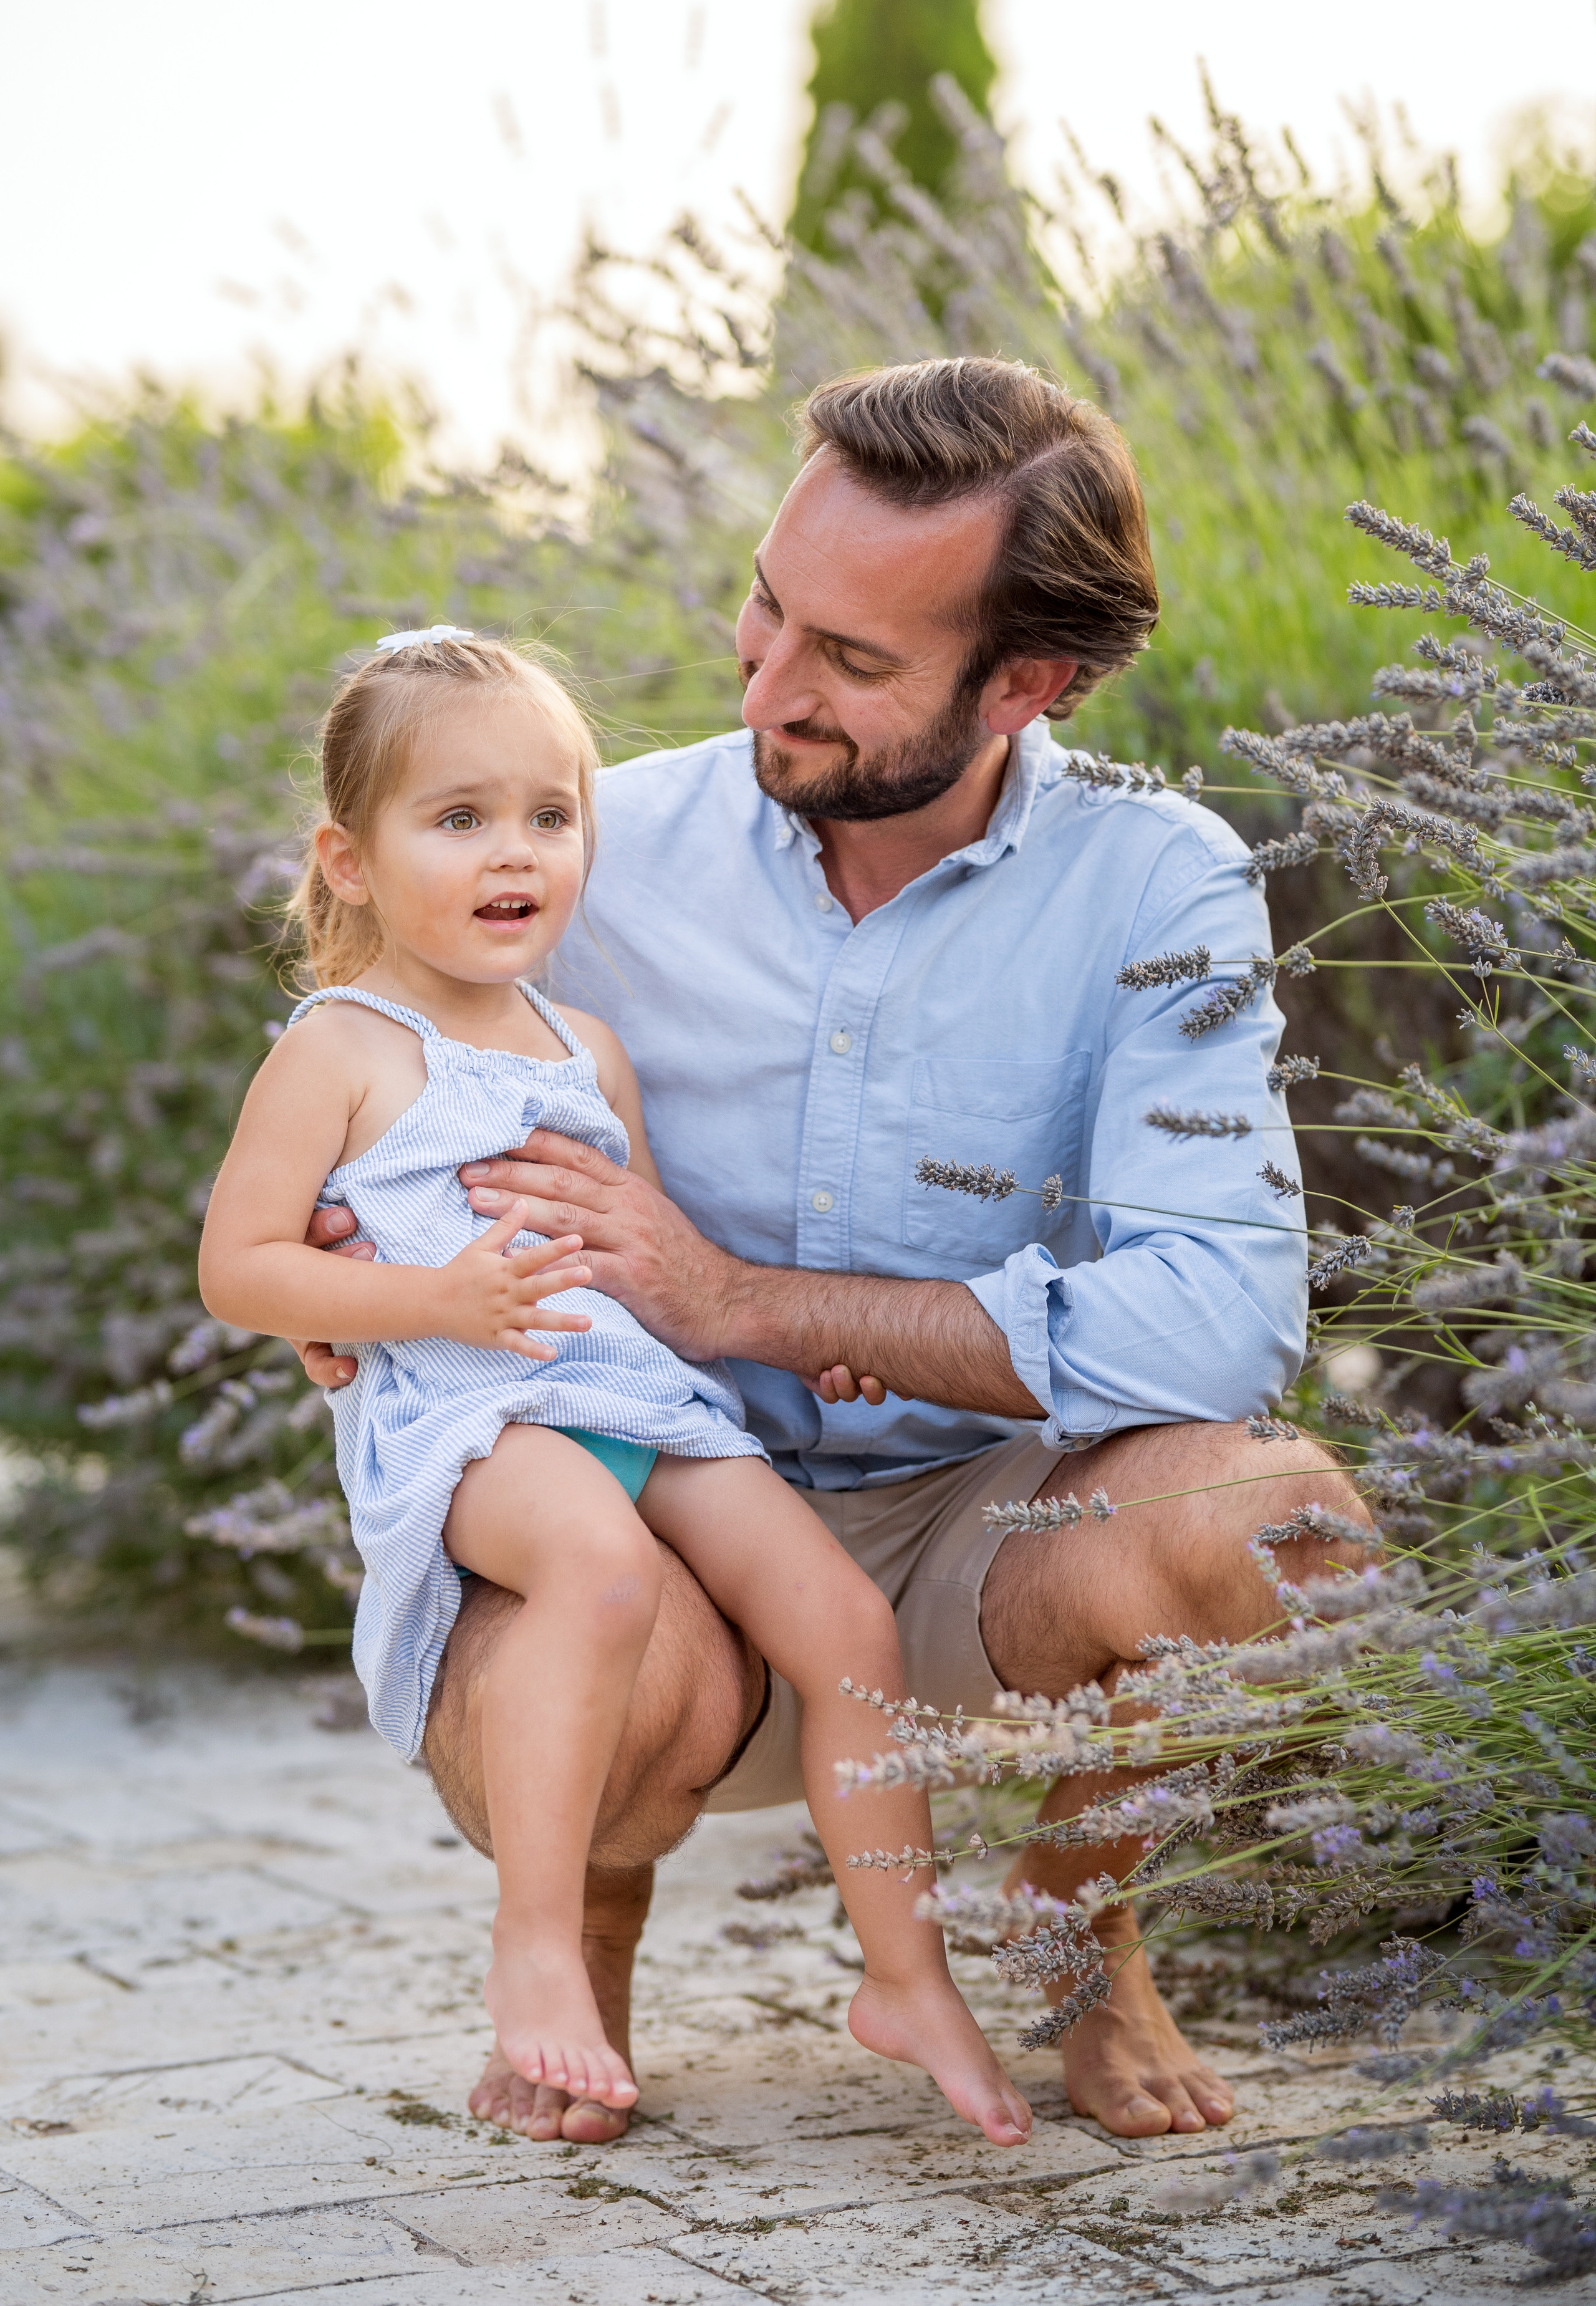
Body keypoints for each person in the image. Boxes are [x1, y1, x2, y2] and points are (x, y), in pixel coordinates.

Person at [297, 358, 1371, 2148]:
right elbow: (366, 1093)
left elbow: (1228, 1319)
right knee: (592, 1640)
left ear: (1028, 682)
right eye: (769, 606)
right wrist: (350, 1264)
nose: (768, 684)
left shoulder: (1154, 881)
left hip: (984, 1534)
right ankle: (593, 1928)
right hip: (656, 1515)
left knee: (1293, 1530)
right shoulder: (572, 844)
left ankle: (1074, 1941)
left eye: (853, 661)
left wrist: (743, 1301)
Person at [197, 629, 1033, 2147]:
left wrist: (784, 1331)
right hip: (476, 1413)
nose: (512, 852)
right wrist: (421, 1299)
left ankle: (903, 1970)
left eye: (547, 815)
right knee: (592, 1573)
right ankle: (535, 1940)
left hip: (643, 1404)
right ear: (350, 860)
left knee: (841, 1619)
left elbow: (649, 1268)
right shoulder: (343, 1047)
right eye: (456, 820)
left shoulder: (586, 1048)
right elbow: (241, 1266)